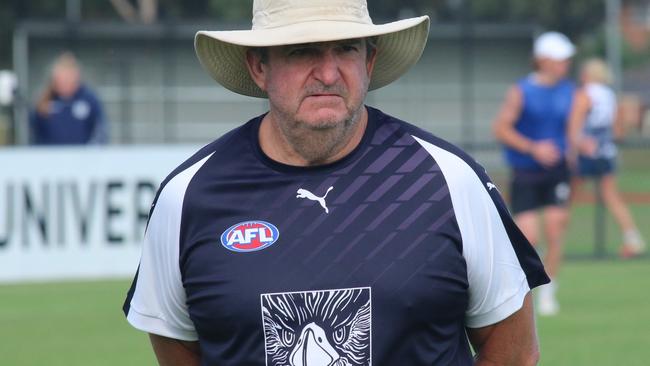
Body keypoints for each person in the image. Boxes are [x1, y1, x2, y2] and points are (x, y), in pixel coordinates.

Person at [123, 1, 549, 364]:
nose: (327, 73)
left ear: (369, 62)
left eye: (345, 49)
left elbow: (513, 351)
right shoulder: (188, 196)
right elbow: (177, 347)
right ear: (259, 67)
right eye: (302, 50)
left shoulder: (449, 180)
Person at [492, 31, 576, 316]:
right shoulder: (521, 91)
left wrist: (580, 143)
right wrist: (533, 148)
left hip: (558, 172)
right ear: (543, 60)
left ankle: (549, 292)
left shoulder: (570, 90)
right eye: (560, 59)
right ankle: (524, 290)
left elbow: (573, 129)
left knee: (555, 228)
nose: (566, 64)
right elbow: (501, 129)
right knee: (530, 238)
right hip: (526, 172)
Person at [568, 58, 646, 258]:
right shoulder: (610, 95)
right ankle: (632, 237)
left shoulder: (584, 94)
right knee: (611, 196)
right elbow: (618, 129)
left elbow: (573, 127)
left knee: (568, 198)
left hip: (587, 152)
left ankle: (551, 240)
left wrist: (573, 150)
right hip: (606, 152)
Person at [29, 52, 108, 145]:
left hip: (82, 156)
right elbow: (33, 132)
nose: (65, 83)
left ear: (76, 77)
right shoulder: (44, 100)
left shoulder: (89, 99)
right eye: (62, 79)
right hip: (50, 156)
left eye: (68, 78)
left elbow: (100, 129)